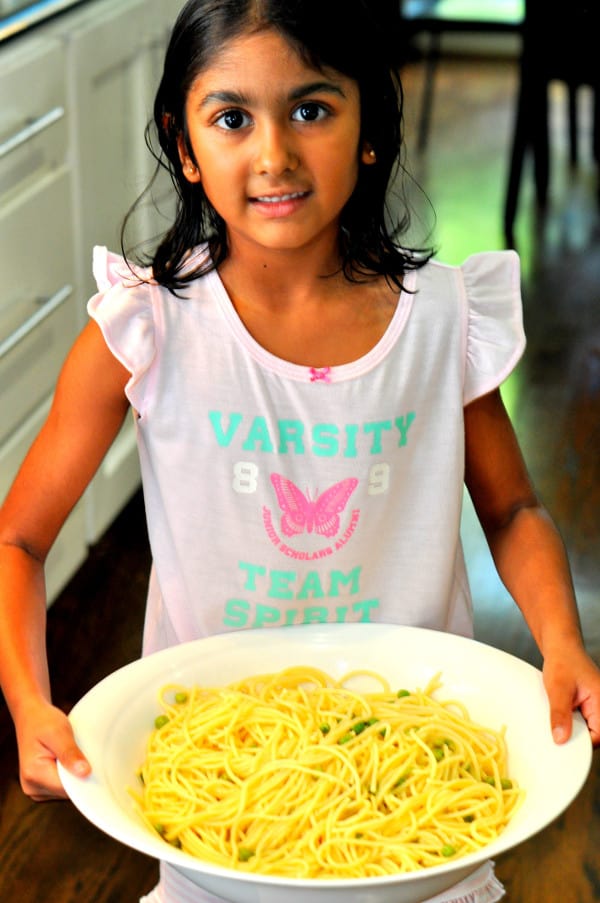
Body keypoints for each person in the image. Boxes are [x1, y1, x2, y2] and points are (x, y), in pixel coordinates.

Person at [0, 1, 599, 901]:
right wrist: (27, 700)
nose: (274, 155)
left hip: (420, 794)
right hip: (217, 805)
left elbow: (513, 508)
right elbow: (19, 539)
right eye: (232, 117)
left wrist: (561, 641)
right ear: (186, 141)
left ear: (368, 127)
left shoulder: (443, 319)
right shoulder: (146, 325)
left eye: (312, 109)